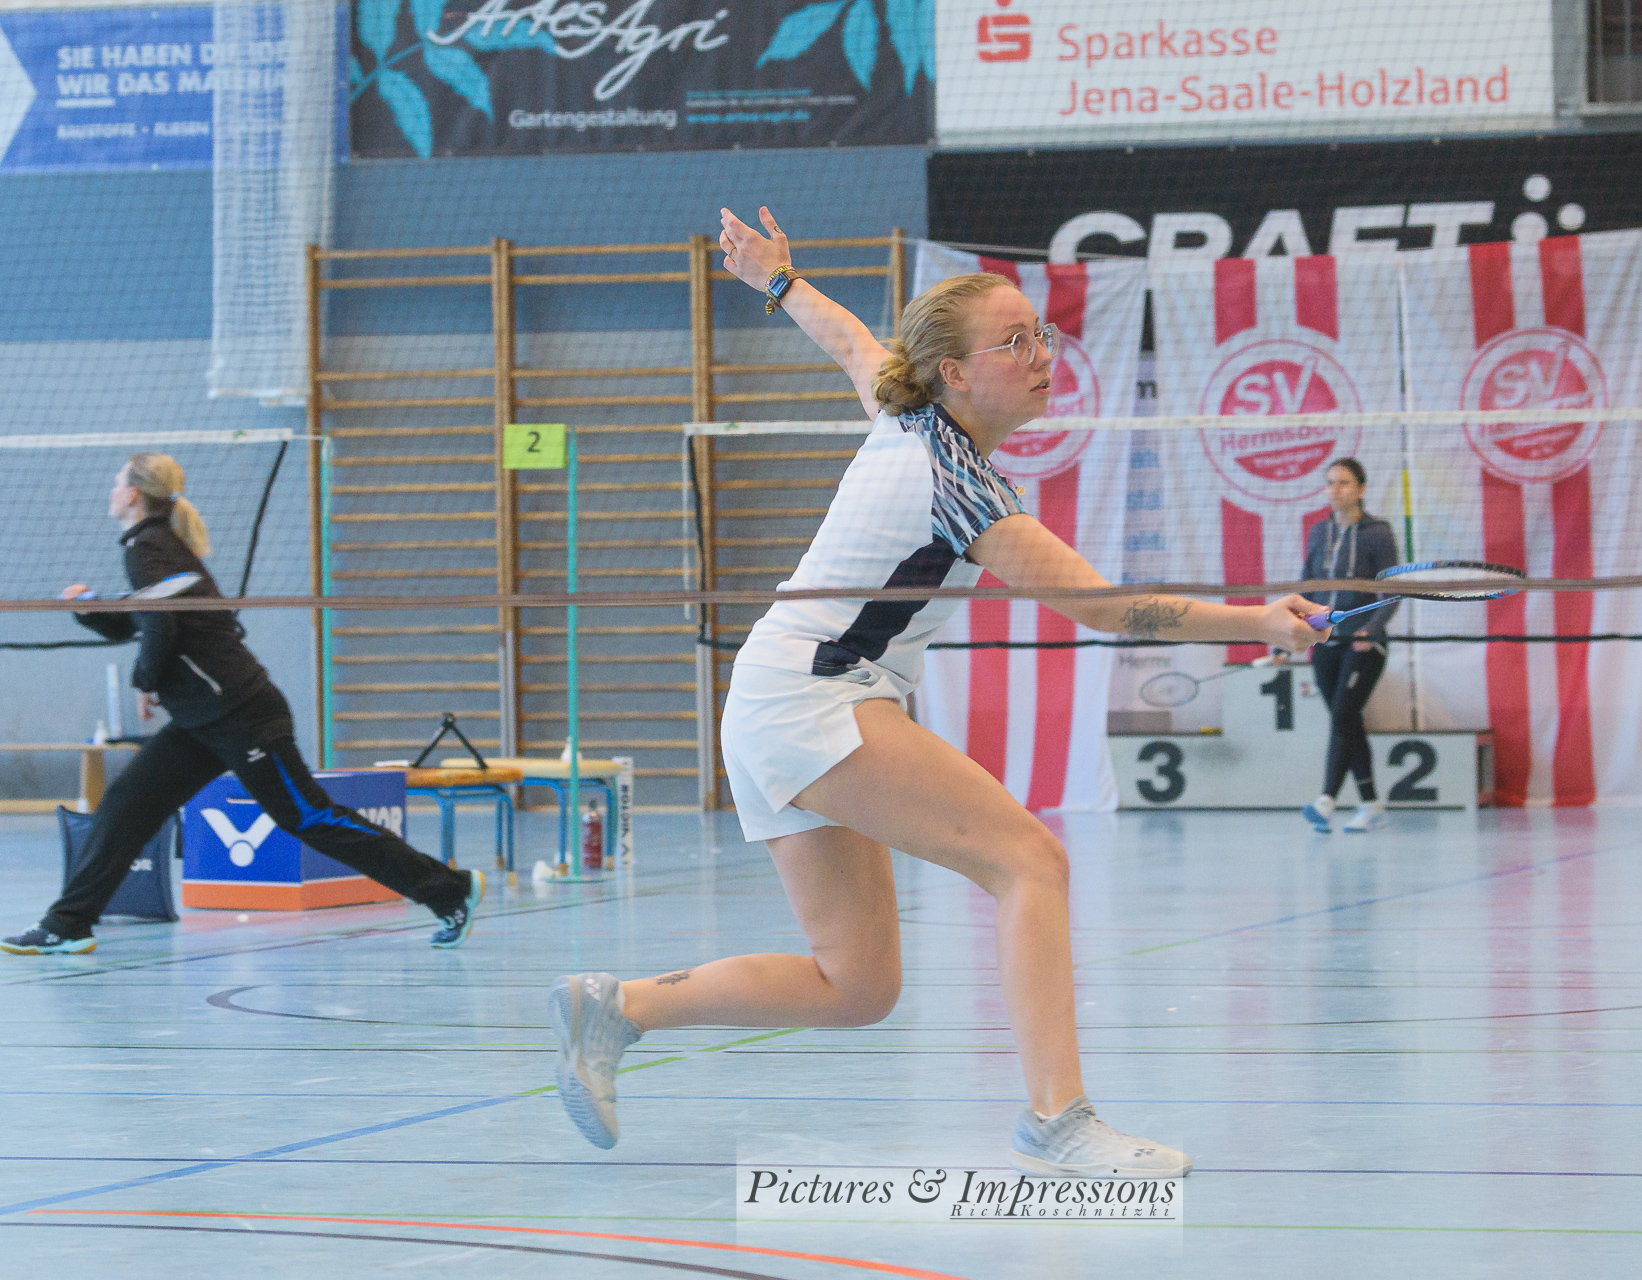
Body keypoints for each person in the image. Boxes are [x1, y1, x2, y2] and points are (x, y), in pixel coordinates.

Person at [545, 206, 1327, 1178]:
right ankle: (1059, 1116)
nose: (1042, 355)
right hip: (815, 699)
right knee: (1030, 860)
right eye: (1015, 342)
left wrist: (779, 279)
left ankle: (617, 1007)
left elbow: (849, 339)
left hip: (779, 698)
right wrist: (1260, 623)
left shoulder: (904, 411)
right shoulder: (959, 484)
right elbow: (1110, 610)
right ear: (954, 371)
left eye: (1041, 334)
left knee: (857, 985)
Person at [1, 453, 485, 955]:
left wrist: (145, 681)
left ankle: (449, 889)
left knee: (311, 817)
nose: (111, 489)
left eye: (116, 480)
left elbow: (160, 625)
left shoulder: (149, 546)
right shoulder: (155, 546)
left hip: (241, 715)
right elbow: (142, 618)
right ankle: (68, 924)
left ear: (133, 494)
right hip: (201, 720)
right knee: (126, 806)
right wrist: (90, 608)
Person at [1299, 458, 1400, 834]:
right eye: (1330, 482)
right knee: (1346, 720)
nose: (1334, 489)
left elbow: (1392, 592)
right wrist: (1295, 630)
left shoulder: (1378, 533)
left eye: (1343, 483)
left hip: (1364, 645)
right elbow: (1307, 586)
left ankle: (1326, 800)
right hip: (1325, 641)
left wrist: (1371, 630)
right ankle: (1371, 804)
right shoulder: (1318, 532)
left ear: (1360, 489)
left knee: (1343, 713)